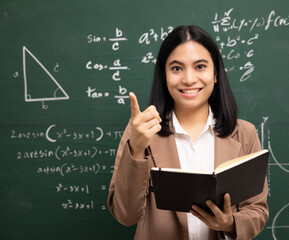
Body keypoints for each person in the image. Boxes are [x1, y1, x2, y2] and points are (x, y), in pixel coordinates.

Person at [107, 25, 269, 240]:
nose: (189, 79)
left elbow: (257, 210)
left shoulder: (244, 133)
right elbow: (126, 215)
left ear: (216, 74)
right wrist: (136, 149)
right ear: (164, 76)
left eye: (200, 66)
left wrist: (230, 224)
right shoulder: (141, 131)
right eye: (176, 68)